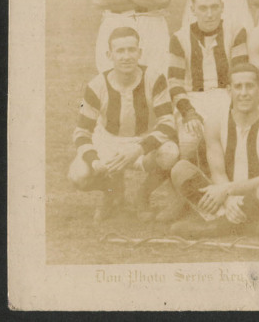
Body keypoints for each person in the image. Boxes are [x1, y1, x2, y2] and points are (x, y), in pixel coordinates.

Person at [68, 27, 179, 222]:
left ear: (140, 53)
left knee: (171, 153)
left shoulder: (155, 78)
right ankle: (112, 191)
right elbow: (81, 132)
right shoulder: (95, 85)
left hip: (142, 142)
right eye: (120, 51)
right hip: (108, 142)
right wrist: (95, 161)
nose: (126, 56)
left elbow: (168, 123)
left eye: (131, 49)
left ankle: (142, 196)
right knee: (78, 175)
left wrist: (138, 149)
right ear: (109, 55)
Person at [169, 63, 259, 238]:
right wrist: (228, 198)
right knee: (180, 169)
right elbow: (217, 172)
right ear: (228, 90)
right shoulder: (215, 122)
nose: (244, 93)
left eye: (250, 86)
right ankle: (241, 223)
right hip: (225, 198)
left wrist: (227, 191)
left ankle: (218, 227)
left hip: (253, 195)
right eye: (238, 87)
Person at [168, 0, 249, 168]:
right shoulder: (179, 38)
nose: (210, 14)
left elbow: (240, 75)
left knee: (233, 136)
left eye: (214, 7)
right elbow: (174, 83)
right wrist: (189, 112)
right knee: (189, 141)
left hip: (226, 96)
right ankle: (187, 184)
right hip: (193, 98)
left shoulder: (236, 31)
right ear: (193, 9)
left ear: (222, 7)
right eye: (203, 8)